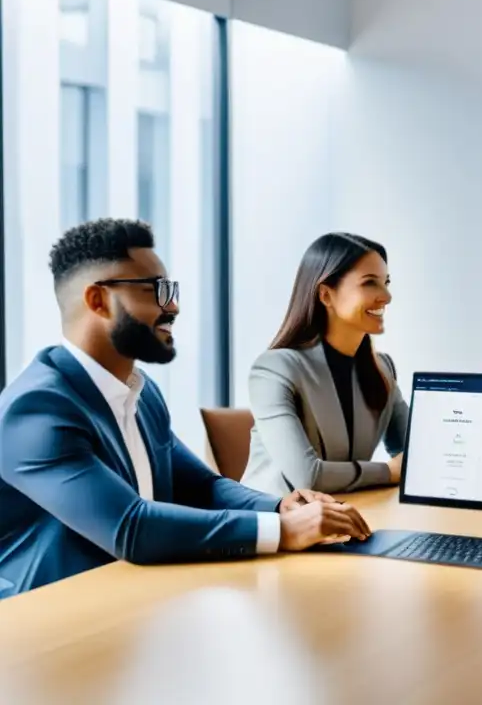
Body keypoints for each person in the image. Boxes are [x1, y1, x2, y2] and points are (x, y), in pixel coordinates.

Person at [0, 219, 370, 600]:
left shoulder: (140, 392)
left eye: (170, 289)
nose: (172, 305)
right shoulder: (37, 409)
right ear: (98, 301)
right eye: (156, 290)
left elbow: (203, 487)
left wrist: (282, 506)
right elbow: (131, 527)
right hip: (48, 620)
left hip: (133, 598)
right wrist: (283, 531)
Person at [242, 233, 408, 497]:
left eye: (386, 283)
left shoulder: (382, 368)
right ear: (326, 295)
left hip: (346, 517)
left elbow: (414, 455)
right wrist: (388, 471)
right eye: (370, 283)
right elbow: (308, 476)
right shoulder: (274, 370)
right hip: (276, 527)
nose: (386, 296)